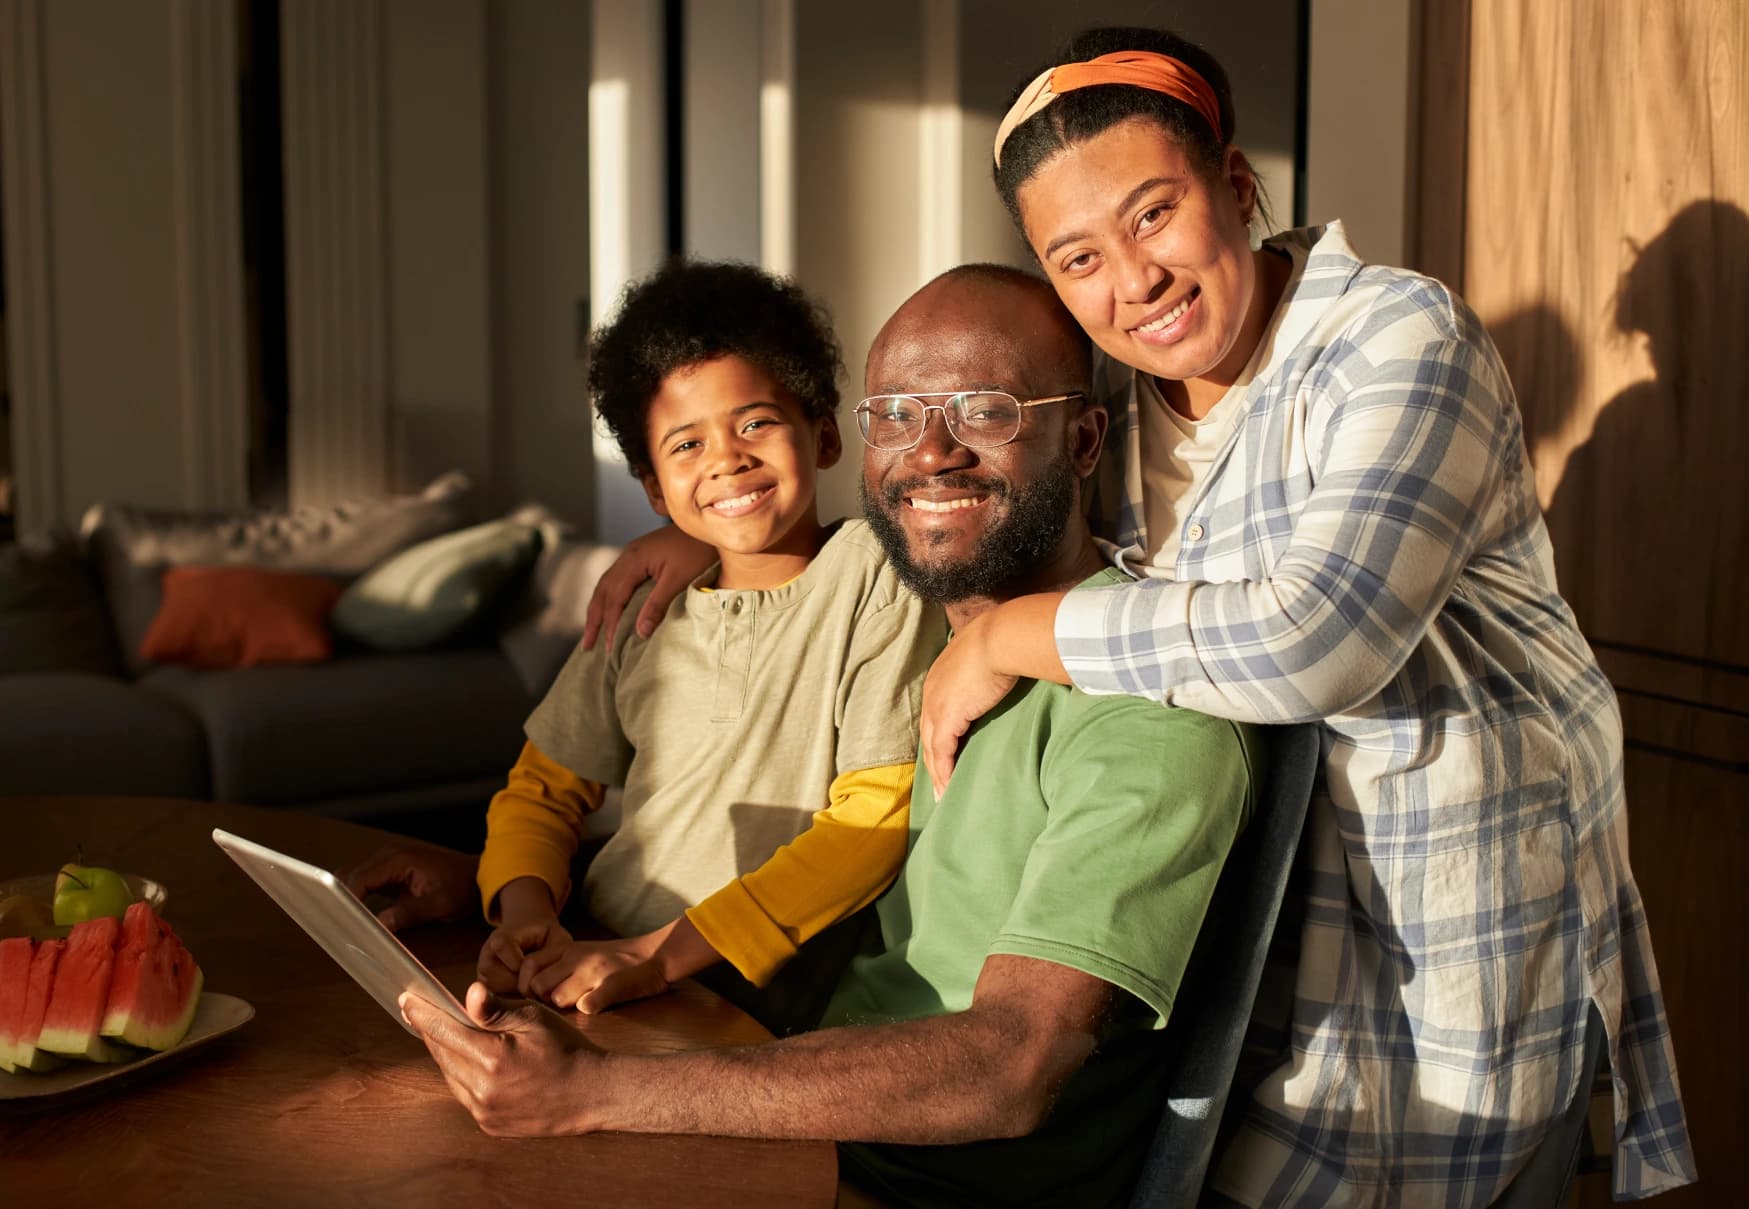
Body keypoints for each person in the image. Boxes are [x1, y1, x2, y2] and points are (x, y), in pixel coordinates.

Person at [580, 26, 1698, 1208]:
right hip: (1252, 930)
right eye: (1078, 256)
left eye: (1153, 214)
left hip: (1442, 912)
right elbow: (972, 493)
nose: (1133, 278)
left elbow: (1318, 639)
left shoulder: (1396, 339)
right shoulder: (1119, 387)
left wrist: (1008, 640)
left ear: (1236, 187)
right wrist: (726, 532)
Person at [401, 265, 1264, 1209]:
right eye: (893, 415)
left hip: (906, 1187)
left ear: (1084, 438)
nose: (929, 453)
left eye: (985, 411)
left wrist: (598, 1091)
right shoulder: (918, 638)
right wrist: (489, 879)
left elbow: (1007, 1066)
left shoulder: (1148, 710)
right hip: (778, 1105)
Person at [353, 260, 947, 1035]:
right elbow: (541, 790)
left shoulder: (873, 573)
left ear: (825, 435)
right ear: (654, 489)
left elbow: (869, 826)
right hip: (594, 955)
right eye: (686, 444)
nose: (726, 459)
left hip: (731, 1000)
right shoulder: (642, 606)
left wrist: (657, 956)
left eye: (755, 423)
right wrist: (526, 912)